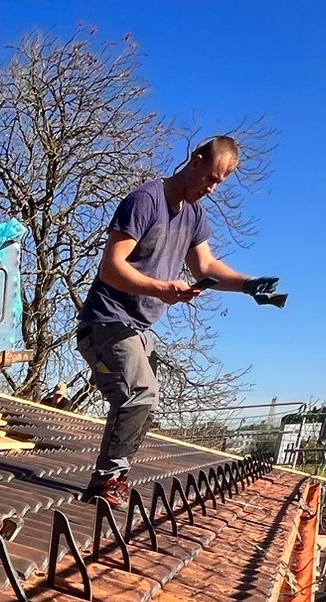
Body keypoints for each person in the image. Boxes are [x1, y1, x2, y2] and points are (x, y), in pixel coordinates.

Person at [76, 136, 282, 512]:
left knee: (143, 401)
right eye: (211, 178)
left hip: (139, 331)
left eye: (219, 183)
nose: (212, 188)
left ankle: (115, 477)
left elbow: (206, 267)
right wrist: (159, 287)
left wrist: (248, 285)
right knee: (140, 392)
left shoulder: (193, 216)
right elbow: (111, 267)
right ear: (196, 159)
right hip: (105, 323)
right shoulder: (145, 201)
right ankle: (106, 481)